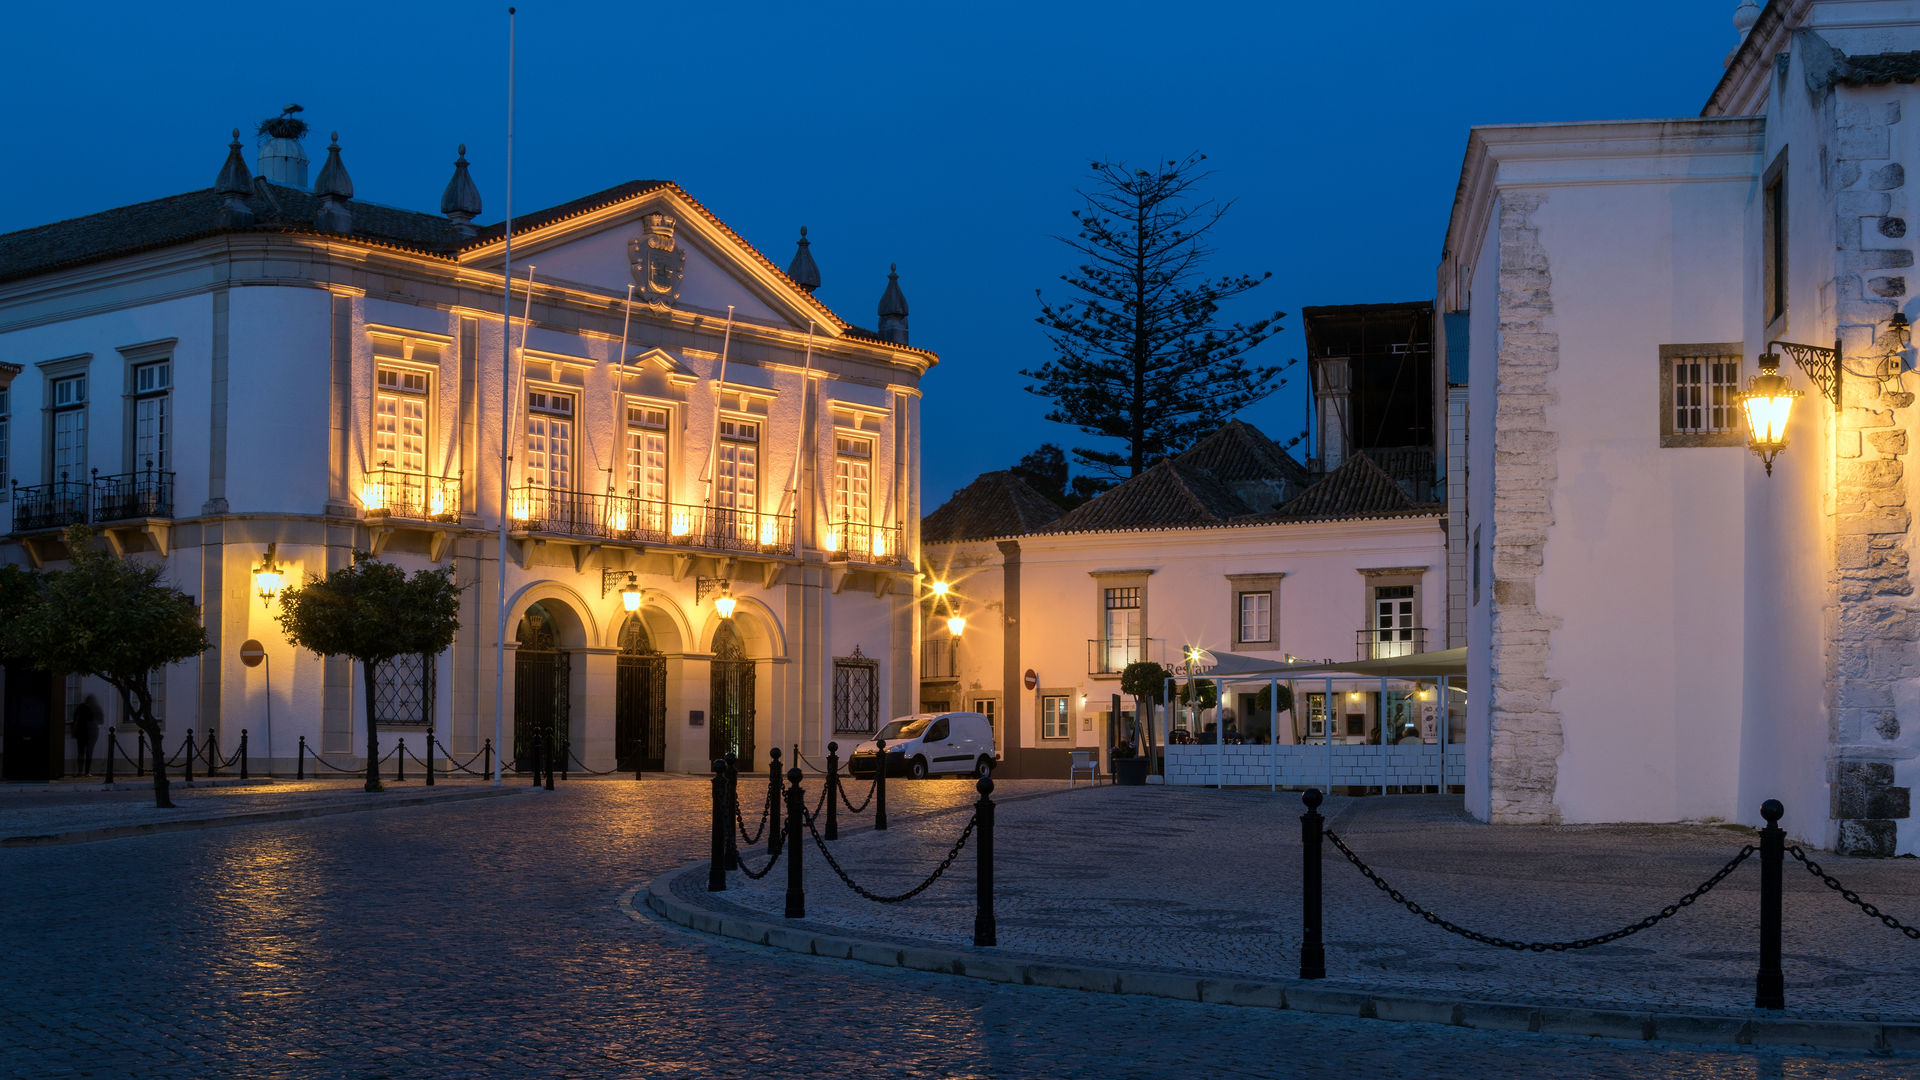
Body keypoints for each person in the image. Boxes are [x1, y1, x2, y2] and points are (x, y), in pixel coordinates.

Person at [72, 694, 103, 777]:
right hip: (91, 733)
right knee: (89, 752)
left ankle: (80, 771)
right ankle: (87, 772)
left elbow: (75, 718)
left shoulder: (81, 707)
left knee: (81, 752)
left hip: (81, 733)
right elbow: (100, 720)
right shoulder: (95, 708)